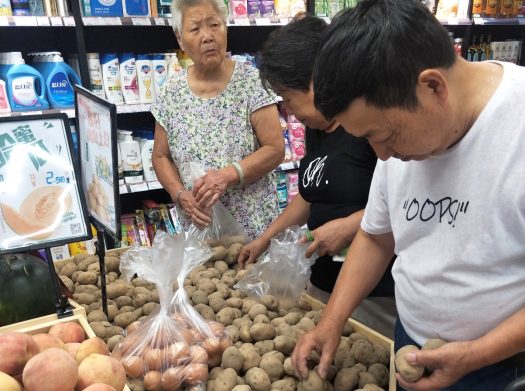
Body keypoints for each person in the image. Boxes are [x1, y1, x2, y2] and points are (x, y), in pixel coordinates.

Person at [291, 1, 525, 390]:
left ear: (433, 86)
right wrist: (331, 322)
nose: (381, 155)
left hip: (503, 367)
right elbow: (375, 236)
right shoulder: (400, 133)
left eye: (384, 136)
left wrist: (475, 354)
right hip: (409, 346)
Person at [237, 15, 397, 339]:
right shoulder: (317, 128)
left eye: (289, 100)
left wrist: (349, 226)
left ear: (315, 80)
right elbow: (310, 195)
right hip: (323, 282)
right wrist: (263, 241)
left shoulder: (371, 127)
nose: (290, 112)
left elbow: (404, 202)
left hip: (375, 293)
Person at [150, 0, 285, 240]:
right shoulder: (170, 92)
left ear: (226, 27)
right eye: (195, 29)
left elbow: (275, 149)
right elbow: (161, 156)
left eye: (214, 25)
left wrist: (226, 176)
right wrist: (180, 194)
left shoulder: (252, 82)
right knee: (205, 278)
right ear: (180, 38)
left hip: (253, 230)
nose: (208, 36)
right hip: (199, 230)